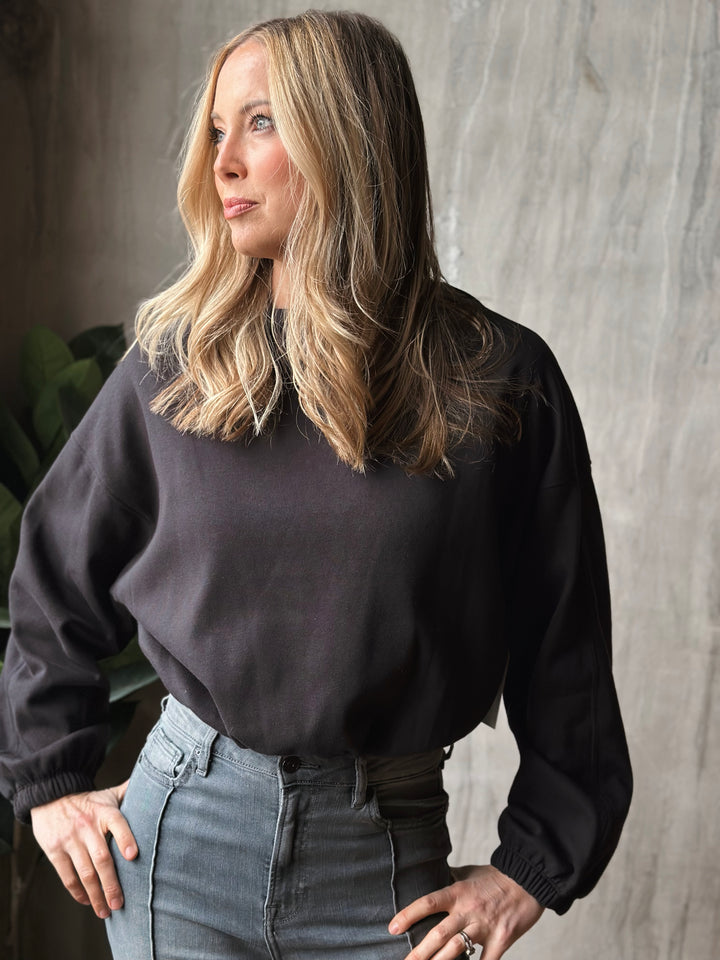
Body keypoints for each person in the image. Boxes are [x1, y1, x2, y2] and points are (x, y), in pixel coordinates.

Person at [0, 10, 632, 960]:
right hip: (180, 849)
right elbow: (53, 575)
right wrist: (49, 785)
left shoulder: (499, 378)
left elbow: (567, 645)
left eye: (260, 123)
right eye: (217, 130)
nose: (224, 163)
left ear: (349, 134)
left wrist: (531, 867)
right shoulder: (178, 366)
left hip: (387, 865)